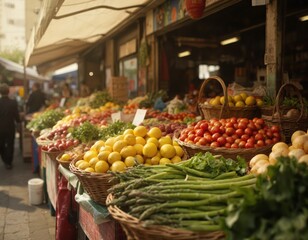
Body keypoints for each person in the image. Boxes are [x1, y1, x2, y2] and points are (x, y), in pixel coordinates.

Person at [0, 83, 21, 169]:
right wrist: (19, 122)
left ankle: (5, 160)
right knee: (10, 144)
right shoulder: (13, 102)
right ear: (8, 92)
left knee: (1, 145)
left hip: (0, 128)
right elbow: (16, 116)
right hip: (10, 127)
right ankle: (9, 162)